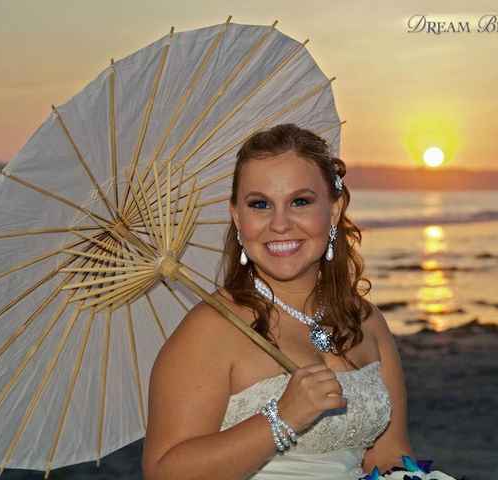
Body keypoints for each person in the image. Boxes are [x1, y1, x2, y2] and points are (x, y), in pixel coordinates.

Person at [142, 123, 416, 479]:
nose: (280, 224)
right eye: (260, 205)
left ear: (333, 212)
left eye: (300, 202)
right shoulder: (211, 329)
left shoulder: (366, 321)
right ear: (237, 217)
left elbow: (390, 456)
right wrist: (281, 418)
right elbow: (164, 473)